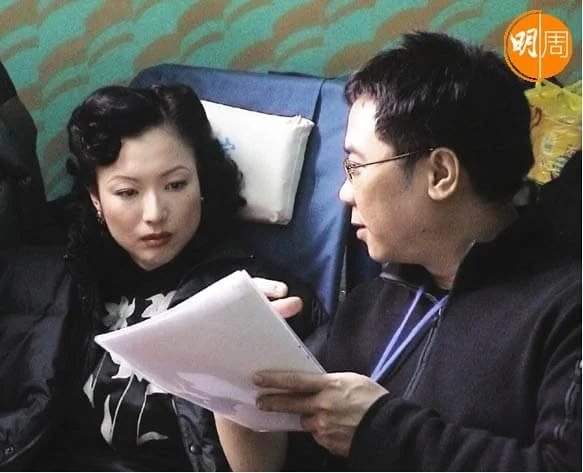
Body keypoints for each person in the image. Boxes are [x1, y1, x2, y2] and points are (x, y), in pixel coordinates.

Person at [214, 31, 581, 471]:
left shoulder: (566, 308)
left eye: (356, 166)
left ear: (440, 173)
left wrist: (379, 429)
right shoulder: (375, 301)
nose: (344, 193)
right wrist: (236, 376)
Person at [1, 83, 325, 470]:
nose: (155, 213)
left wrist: (238, 352)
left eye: (175, 185)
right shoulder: (53, 277)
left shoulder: (259, 295)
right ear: (95, 197)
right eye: (127, 192)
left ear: (201, 182)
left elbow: (266, 468)